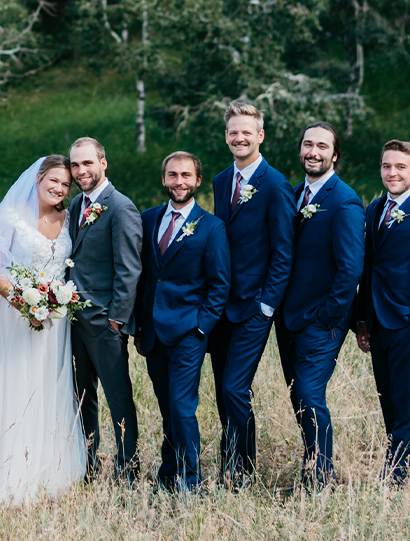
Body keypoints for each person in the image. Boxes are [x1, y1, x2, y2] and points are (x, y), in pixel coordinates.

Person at [0, 155, 87, 507]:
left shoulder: (69, 218)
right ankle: (4, 471)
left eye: (66, 184)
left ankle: (47, 469)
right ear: (37, 178)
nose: (59, 188)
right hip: (12, 316)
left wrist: (52, 304)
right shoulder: (8, 216)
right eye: (53, 180)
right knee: (13, 384)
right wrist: (23, 304)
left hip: (55, 320)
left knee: (47, 385)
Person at [208, 101, 295, 483]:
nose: (239, 138)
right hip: (220, 304)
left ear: (260, 135)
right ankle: (231, 461)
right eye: (232, 132)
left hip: (254, 307)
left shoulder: (276, 185)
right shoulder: (220, 181)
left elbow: (283, 251)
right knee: (221, 390)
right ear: (226, 137)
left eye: (246, 132)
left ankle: (242, 471)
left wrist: (266, 304)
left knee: (234, 387)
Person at [275, 122, 364, 489]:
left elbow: (351, 266)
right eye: (308, 144)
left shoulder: (344, 201)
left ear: (334, 155)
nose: (313, 151)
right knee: (299, 395)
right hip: (288, 317)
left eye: (322, 146)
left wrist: (330, 316)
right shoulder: (295, 194)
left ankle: (321, 479)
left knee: (310, 395)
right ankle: (311, 467)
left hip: (322, 320)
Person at [135, 151, 230, 491]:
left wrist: (201, 325)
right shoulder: (147, 219)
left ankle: (190, 480)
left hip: (189, 330)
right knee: (166, 407)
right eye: (172, 175)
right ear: (164, 179)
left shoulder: (212, 227)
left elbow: (220, 284)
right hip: (152, 331)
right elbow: (144, 275)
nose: (179, 181)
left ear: (197, 181)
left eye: (186, 175)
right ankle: (167, 471)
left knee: (182, 407)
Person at [353, 142, 410, 484]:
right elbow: (367, 267)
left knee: (407, 404)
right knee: (388, 401)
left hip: (408, 324)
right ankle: (396, 468)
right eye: (387, 167)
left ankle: (394, 477)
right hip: (376, 322)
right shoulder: (374, 209)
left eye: (400, 167)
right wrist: (361, 319)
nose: (392, 173)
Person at [67, 136, 143, 480]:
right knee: (82, 397)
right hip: (72, 322)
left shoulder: (120, 207)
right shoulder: (74, 206)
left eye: (87, 163)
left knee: (118, 399)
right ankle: (87, 463)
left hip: (104, 322)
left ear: (103, 163)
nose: (81, 171)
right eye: (75, 165)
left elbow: (130, 268)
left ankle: (129, 469)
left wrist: (116, 320)